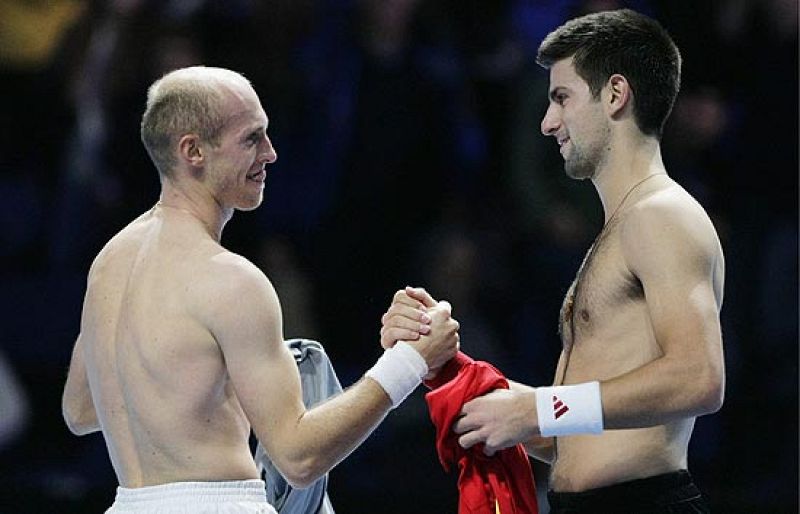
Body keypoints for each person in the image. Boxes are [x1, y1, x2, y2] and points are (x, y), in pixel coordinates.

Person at [61, 66, 460, 514]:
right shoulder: (231, 279)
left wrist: (210, 381)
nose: (270, 154)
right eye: (251, 139)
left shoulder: (109, 263)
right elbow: (298, 457)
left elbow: (80, 410)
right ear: (192, 151)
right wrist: (410, 361)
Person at [381, 9, 725, 513]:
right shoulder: (622, 228)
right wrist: (446, 364)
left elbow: (700, 378)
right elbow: (574, 438)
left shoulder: (663, 215)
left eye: (561, 98)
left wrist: (537, 409)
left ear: (614, 94)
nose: (547, 123)